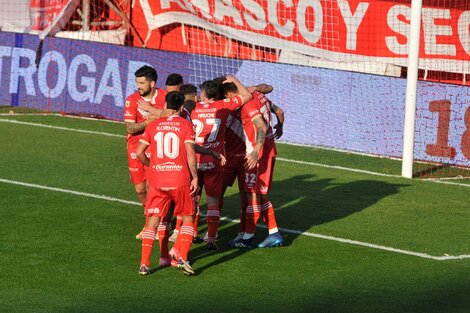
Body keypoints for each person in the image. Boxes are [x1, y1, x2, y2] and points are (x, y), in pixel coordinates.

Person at [136, 91, 198, 276]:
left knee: (153, 221)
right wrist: (194, 176)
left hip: (157, 180)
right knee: (188, 217)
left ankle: (145, 264)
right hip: (179, 179)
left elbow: (140, 153)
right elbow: (191, 154)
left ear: (165, 106)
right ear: (181, 108)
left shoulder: (154, 125)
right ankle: (183, 258)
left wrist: (153, 165)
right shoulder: (186, 125)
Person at [190, 75, 252, 250]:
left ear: (202, 94)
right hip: (213, 160)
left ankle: (191, 233)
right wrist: (236, 80)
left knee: (194, 199)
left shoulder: (193, 108)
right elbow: (247, 96)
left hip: (194, 159)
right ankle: (211, 239)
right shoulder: (223, 106)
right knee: (213, 202)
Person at [222, 83, 285, 248]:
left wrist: (256, 151)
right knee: (253, 194)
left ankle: (248, 238)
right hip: (267, 150)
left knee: (253, 195)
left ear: (231, 93)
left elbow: (262, 127)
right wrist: (280, 126)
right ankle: (269, 233)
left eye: (228, 97)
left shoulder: (248, 104)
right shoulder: (261, 96)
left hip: (260, 154)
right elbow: (280, 111)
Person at [124, 65, 166, 239]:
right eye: (137, 82)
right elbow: (130, 128)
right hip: (135, 148)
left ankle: (152, 224)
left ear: (153, 83)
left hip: (155, 148)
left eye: (142, 82)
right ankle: (151, 216)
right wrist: (149, 121)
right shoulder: (132, 100)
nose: (138, 86)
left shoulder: (164, 97)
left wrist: (158, 115)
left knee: (154, 187)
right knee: (141, 190)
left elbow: (171, 116)